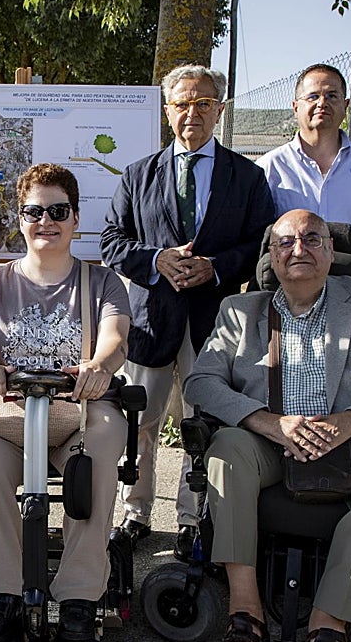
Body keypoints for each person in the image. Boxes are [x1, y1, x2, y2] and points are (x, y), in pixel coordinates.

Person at [184, 209, 351, 642]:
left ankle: (329, 622)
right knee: (227, 446)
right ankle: (245, 607)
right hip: (267, 446)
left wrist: (349, 423)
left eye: (312, 239)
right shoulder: (241, 313)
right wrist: (269, 423)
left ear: (330, 251)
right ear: (271, 258)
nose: (299, 250)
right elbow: (202, 382)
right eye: (285, 243)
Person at [101, 64, 274, 557]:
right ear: (166, 111)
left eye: (203, 103)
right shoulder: (138, 175)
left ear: (219, 110)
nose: (192, 113)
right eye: (182, 104)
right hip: (152, 321)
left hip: (214, 324)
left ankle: (192, 519)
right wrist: (159, 260)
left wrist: (215, 268)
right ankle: (135, 514)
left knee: (203, 425)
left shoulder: (247, 176)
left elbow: (260, 246)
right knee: (142, 423)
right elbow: (113, 241)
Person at [0, 163, 129, 642]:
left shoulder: (102, 283)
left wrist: (99, 365)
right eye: (34, 212)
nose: (46, 221)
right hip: (11, 413)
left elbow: (115, 339)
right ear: (20, 219)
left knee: (97, 454)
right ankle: (1, 592)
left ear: (76, 218)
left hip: (78, 410)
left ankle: (79, 595)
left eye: (58, 211)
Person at [257, 63, 351, 280]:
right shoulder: (270, 167)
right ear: (295, 107)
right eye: (312, 97)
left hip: (350, 288)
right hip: (287, 290)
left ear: (346, 105)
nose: (322, 103)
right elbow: (259, 236)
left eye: (332, 95)